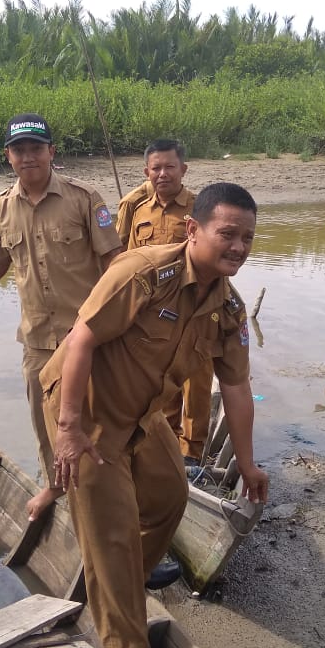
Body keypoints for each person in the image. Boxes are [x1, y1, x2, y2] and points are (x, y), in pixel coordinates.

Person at [40, 182, 269, 648]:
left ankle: (125, 576)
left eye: (248, 238)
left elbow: (236, 388)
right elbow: (80, 341)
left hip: (143, 415)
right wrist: (69, 429)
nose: (238, 247)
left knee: (170, 495)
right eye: (228, 234)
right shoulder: (143, 274)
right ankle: (126, 646)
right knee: (112, 529)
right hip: (88, 409)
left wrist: (248, 465)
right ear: (194, 229)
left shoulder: (228, 310)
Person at [0, 113, 122, 521]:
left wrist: (119, 325)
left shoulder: (84, 197)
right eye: (19, 150)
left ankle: (108, 504)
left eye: (36, 148)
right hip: (37, 342)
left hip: (87, 338)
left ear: (51, 152)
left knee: (100, 423)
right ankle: (55, 487)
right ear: (8, 156)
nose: (28, 156)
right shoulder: (2, 208)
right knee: (44, 423)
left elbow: (114, 264)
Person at [116, 139, 212, 465]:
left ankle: (193, 453)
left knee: (197, 384)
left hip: (194, 310)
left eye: (170, 167)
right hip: (153, 317)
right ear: (146, 172)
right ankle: (167, 445)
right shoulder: (138, 211)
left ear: (183, 169)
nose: (163, 174)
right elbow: (129, 262)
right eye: (156, 168)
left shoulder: (202, 211)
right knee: (162, 384)